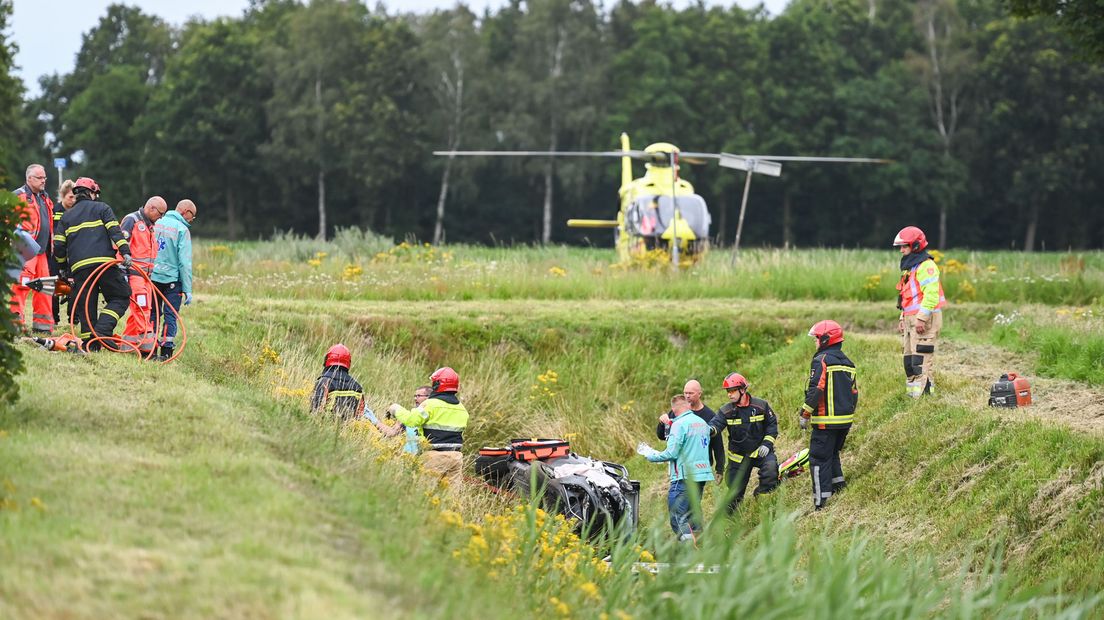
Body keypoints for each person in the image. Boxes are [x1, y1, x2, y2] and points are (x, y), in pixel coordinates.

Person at [52, 177, 132, 350]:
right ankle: (102, 331)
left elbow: (58, 245)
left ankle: (92, 345)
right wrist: (125, 252)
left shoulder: (67, 216)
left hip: (79, 269)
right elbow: (115, 232)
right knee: (121, 296)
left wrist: (62, 268)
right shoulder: (102, 208)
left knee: (86, 306)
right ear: (90, 193)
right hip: (104, 265)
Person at [798, 320, 858, 511]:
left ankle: (820, 501)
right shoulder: (849, 363)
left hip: (825, 421)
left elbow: (816, 389)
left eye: (816, 339)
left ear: (825, 339)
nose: (815, 343)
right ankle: (838, 487)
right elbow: (854, 393)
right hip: (844, 422)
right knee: (832, 455)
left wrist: (805, 413)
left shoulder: (821, 360)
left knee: (817, 459)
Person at [641, 394, 714, 542]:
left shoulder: (678, 426)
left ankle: (689, 550)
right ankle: (702, 548)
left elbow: (672, 453)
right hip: (701, 475)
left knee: (678, 516)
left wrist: (651, 455)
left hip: (683, 477)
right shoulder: (701, 422)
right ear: (687, 406)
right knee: (694, 515)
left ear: (674, 410)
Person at [708, 372, 779, 514]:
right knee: (735, 491)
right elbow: (716, 425)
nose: (729, 394)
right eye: (728, 391)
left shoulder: (761, 406)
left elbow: (772, 426)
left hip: (761, 451)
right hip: (739, 458)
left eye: (732, 390)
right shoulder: (726, 411)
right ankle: (728, 519)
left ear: (742, 389)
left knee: (771, 470)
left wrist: (767, 444)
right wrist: (709, 430)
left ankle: (762, 501)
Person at [387, 367, 469, 481]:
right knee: (449, 497)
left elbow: (412, 420)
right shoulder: (462, 408)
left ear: (437, 384)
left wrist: (395, 408)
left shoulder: (430, 404)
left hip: (434, 456)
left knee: (424, 493)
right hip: (456, 458)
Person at [893, 226, 946, 398]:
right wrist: (902, 317)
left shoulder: (927, 266)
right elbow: (906, 296)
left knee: (921, 361)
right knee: (909, 361)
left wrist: (922, 319)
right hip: (911, 319)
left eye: (904, 246)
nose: (901, 250)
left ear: (915, 246)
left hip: (924, 320)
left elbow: (931, 294)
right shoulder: (911, 268)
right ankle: (913, 397)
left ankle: (926, 399)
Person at [9, 164, 55, 334]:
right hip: (25, 249)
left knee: (45, 287)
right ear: (29, 179)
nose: (44, 180)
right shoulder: (18, 196)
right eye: (40, 178)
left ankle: (42, 327)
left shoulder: (44, 197)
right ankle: (14, 325)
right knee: (21, 286)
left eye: (45, 177)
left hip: (42, 251)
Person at [119, 197, 167, 355]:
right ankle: (148, 349)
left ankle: (127, 345)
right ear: (151, 208)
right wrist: (122, 274)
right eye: (160, 214)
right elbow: (120, 246)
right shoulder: (132, 221)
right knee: (142, 309)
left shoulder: (149, 226)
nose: (161, 218)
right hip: (134, 276)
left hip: (146, 277)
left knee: (139, 311)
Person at [150, 199, 195, 360]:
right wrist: (187, 289)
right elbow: (184, 262)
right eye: (192, 217)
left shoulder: (156, 222)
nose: (191, 220)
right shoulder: (182, 229)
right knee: (170, 315)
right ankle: (166, 351)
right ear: (186, 212)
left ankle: (150, 348)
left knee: (152, 313)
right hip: (172, 281)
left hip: (152, 277)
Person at [657, 379, 724, 478]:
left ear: (699, 394)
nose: (687, 396)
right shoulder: (676, 412)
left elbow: (717, 444)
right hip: (680, 465)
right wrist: (662, 423)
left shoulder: (709, 415)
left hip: (700, 466)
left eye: (691, 393)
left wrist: (720, 469)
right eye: (685, 393)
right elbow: (662, 436)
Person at [309, 344, 377, 424]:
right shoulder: (357, 387)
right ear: (348, 363)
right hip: (349, 432)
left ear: (327, 360)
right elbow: (360, 416)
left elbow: (315, 413)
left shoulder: (324, 382)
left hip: (326, 429)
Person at [49, 180, 77, 326]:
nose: (73, 200)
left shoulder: (77, 212)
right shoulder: (54, 210)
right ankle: (54, 318)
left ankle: (73, 318)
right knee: (54, 286)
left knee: (74, 286)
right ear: (63, 196)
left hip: (74, 254)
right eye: (70, 197)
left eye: (75, 197)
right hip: (56, 254)